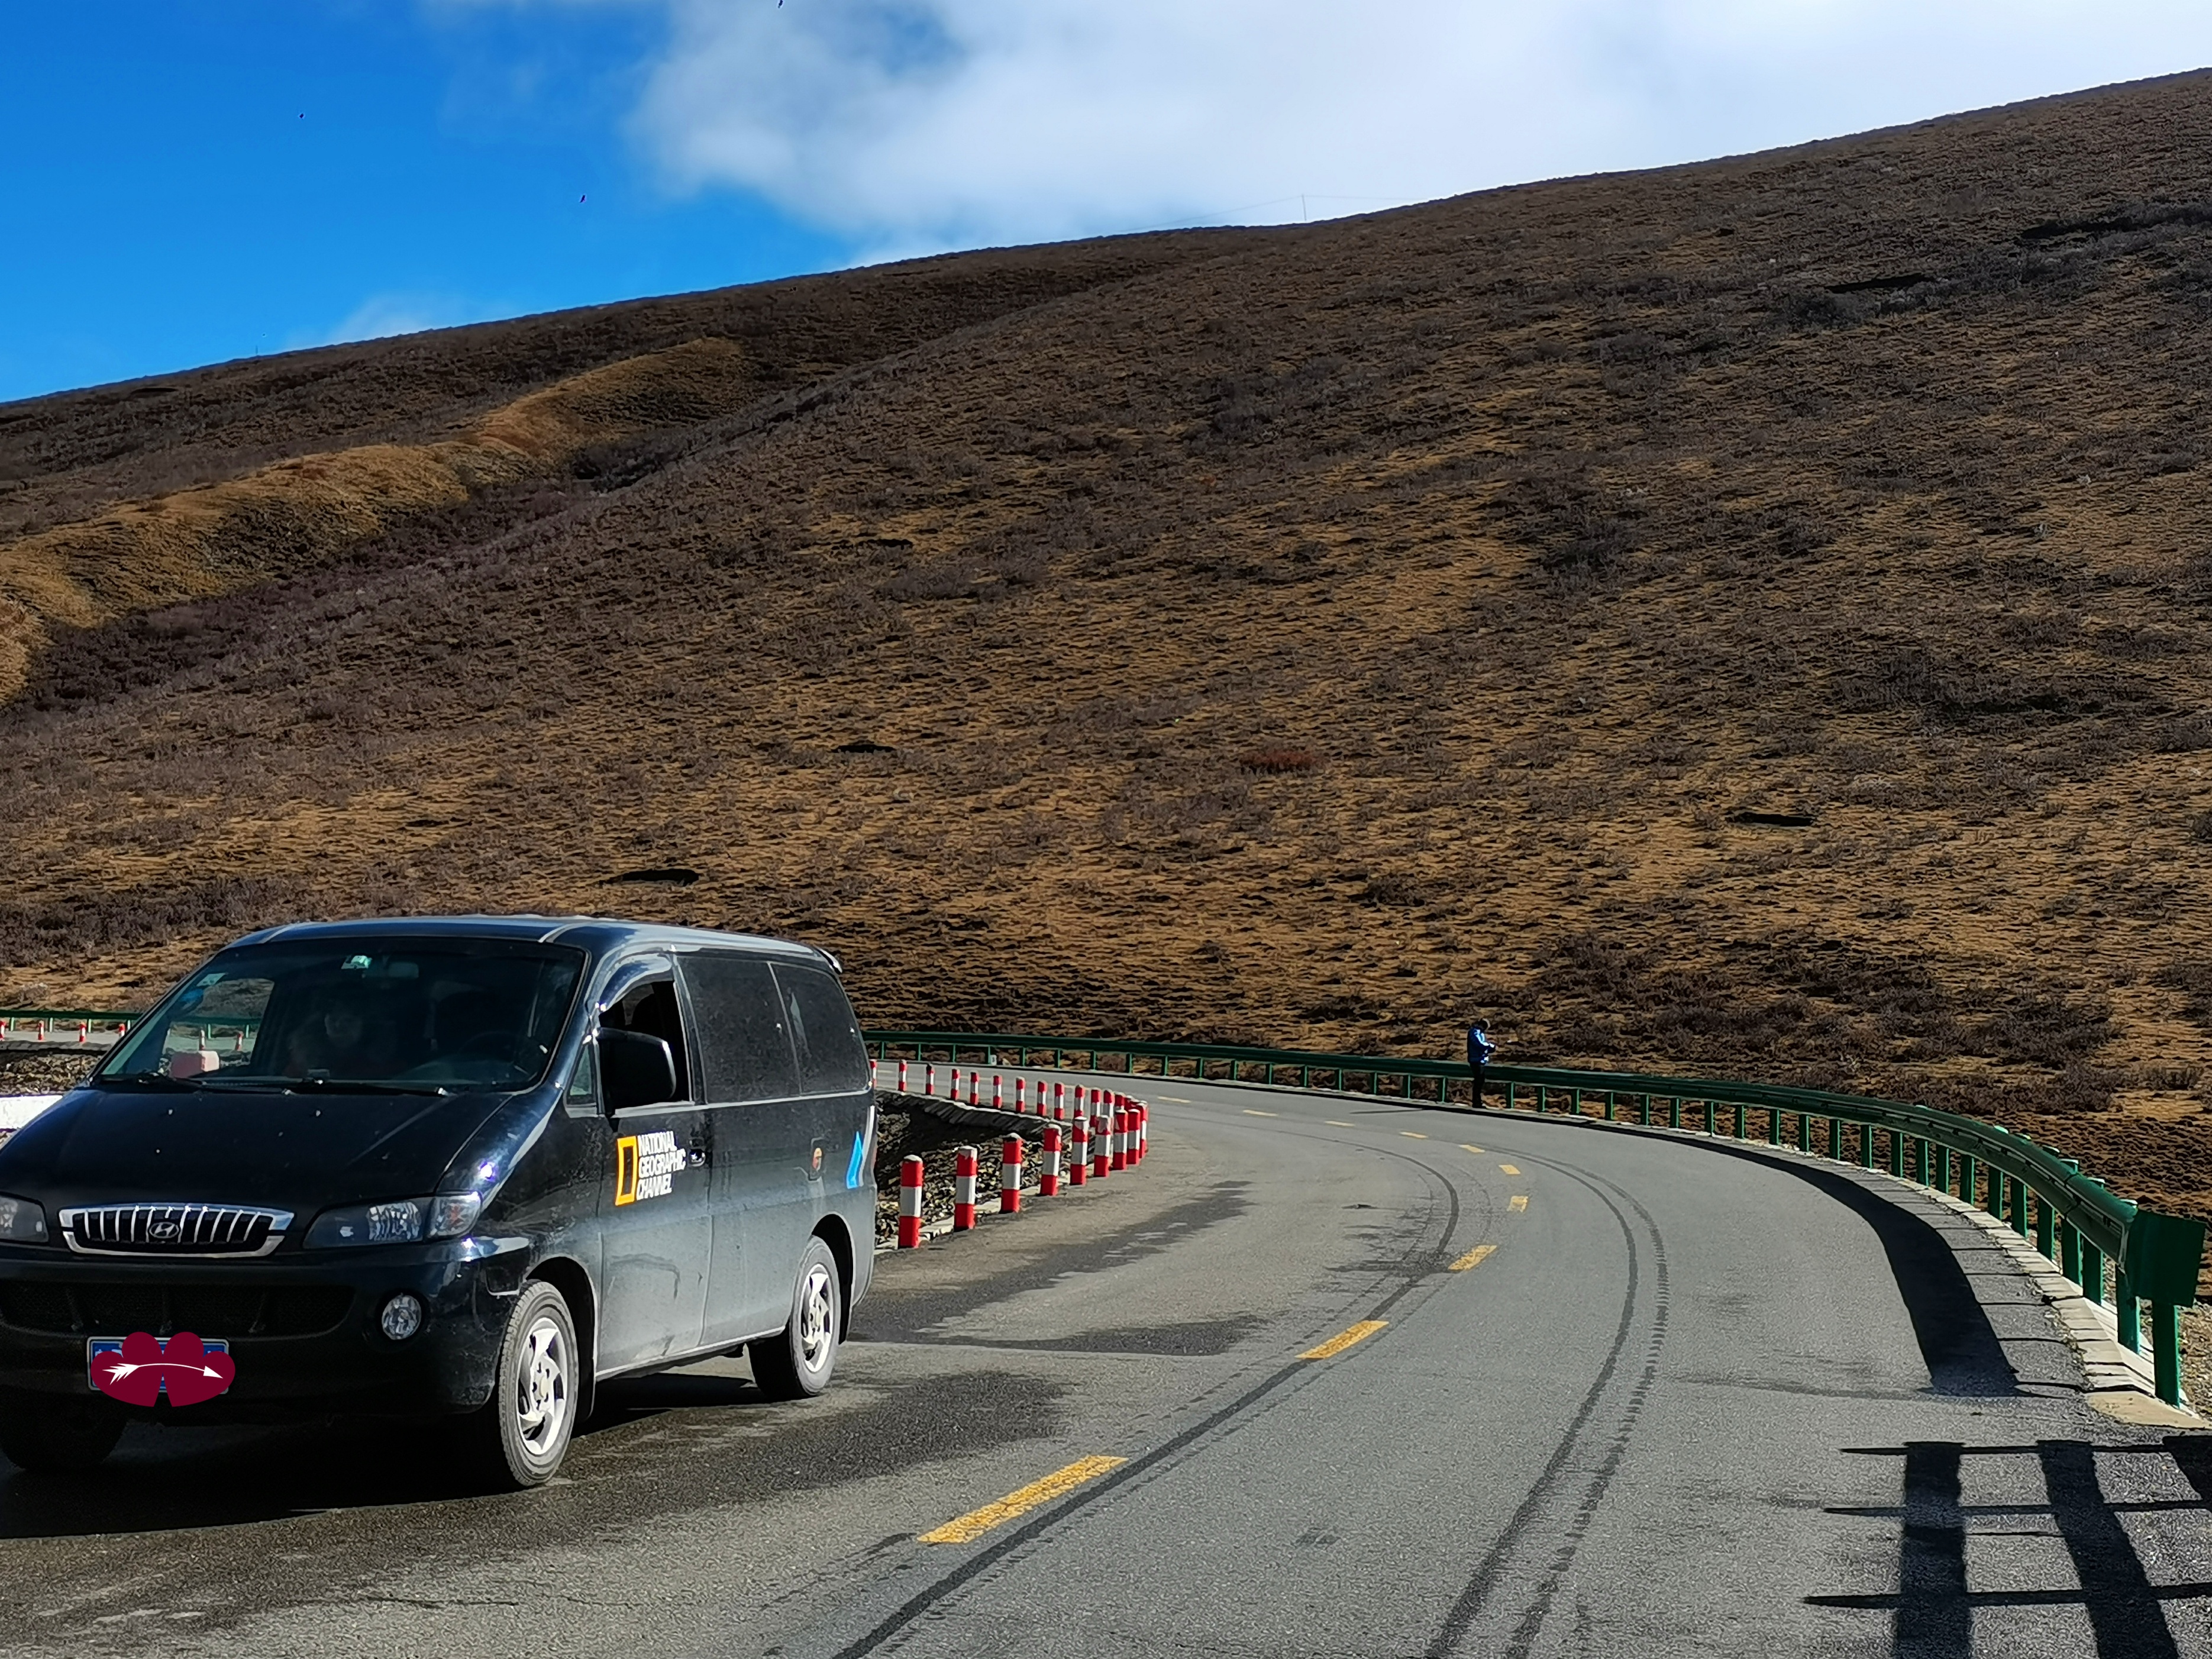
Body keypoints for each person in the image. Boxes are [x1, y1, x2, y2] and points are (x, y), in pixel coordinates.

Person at [1466, 1023, 1496, 1109]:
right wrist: (1491, 1046)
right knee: (1478, 1082)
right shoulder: (1475, 1032)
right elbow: (1479, 1044)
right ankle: (1476, 1102)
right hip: (1476, 1060)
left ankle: (1477, 1101)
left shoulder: (1480, 1033)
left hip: (1480, 1060)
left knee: (1480, 1082)